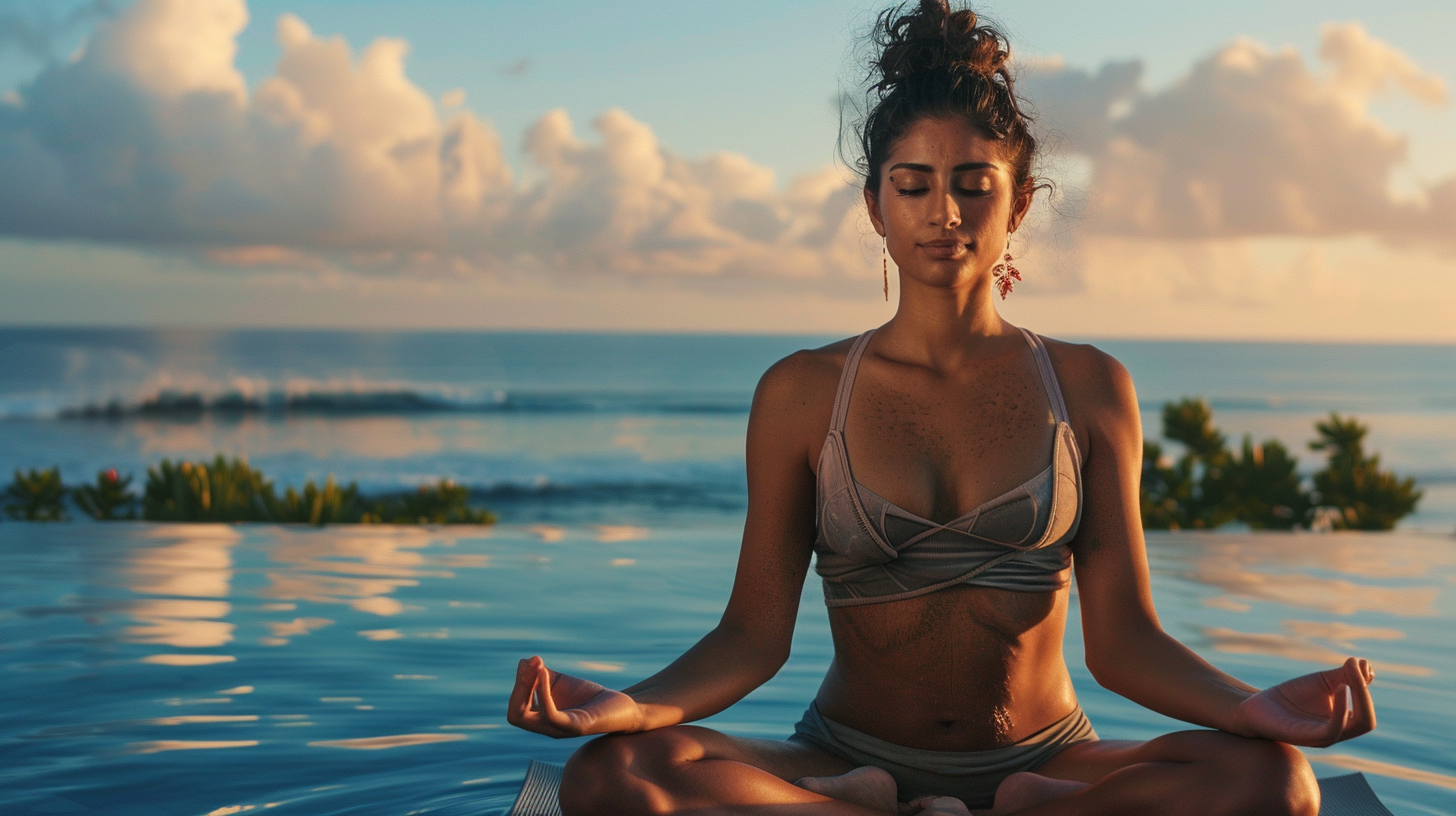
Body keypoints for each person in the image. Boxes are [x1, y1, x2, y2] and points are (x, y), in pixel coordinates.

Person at [506, 2, 1376, 813]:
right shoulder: (802, 393)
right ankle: (856, 802)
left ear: (1019, 203)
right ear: (875, 205)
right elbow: (750, 636)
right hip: (843, 751)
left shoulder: (1088, 387)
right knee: (613, 778)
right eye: (913, 185)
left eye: (974, 184)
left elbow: (1125, 643)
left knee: (1274, 781)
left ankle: (1027, 803)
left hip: (1049, 754)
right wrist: (628, 707)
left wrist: (1255, 707)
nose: (944, 213)